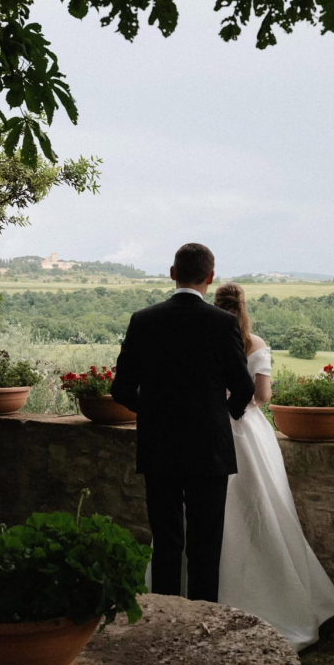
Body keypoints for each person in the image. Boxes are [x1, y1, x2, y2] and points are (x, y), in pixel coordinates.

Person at [112, 243, 255, 602]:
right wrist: (224, 415)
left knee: (166, 540)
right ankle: (202, 617)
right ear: (210, 276)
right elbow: (243, 387)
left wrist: (154, 413)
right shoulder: (222, 323)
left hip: (158, 445)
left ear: (172, 273)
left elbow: (122, 389)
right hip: (209, 448)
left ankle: (164, 617)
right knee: (205, 543)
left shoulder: (143, 320)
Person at [213, 282, 334, 651]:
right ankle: (275, 597)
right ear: (244, 307)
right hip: (248, 434)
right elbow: (263, 397)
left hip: (212, 429)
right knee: (262, 512)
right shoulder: (254, 343)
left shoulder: (207, 336)